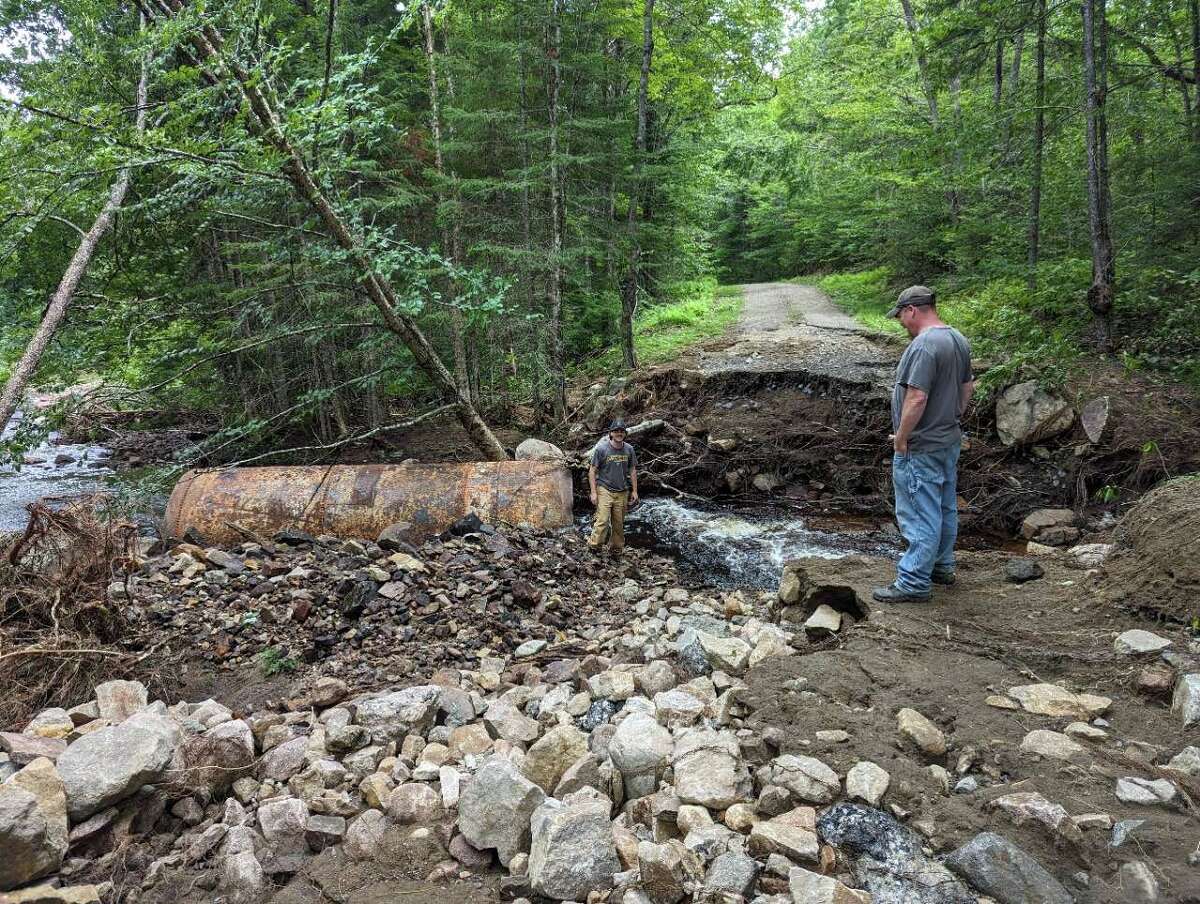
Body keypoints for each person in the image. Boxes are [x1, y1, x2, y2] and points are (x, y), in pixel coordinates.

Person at [873, 285, 974, 603]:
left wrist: (902, 438)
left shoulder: (924, 346)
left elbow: (916, 397)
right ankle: (941, 567)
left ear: (911, 310)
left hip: (921, 445)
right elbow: (967, 386)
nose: (902, 323)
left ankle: (914, 581)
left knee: (919, 513)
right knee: (944, 507)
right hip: (947, 439)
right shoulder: (957, 338)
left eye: (901, 316)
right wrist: (952, 415)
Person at [588, 419, 639, 554]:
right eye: (616, 431)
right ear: (611, 433)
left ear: (625, 434)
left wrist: (635, 491)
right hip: (604, 489)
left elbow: (633, 470)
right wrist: (593, 492)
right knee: (603, 520)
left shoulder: (629, 449)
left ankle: (616, 550)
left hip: (622, 491)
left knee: (618, 524)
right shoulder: (601, 449)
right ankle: (594, 547)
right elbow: (592, 471)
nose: (619, 433)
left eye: (621, 431)